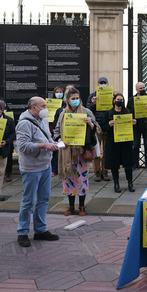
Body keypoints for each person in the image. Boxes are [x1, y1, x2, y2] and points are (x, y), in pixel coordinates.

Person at [15, 96, 60, 247]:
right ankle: (22, 232)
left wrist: (54, 143)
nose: (45, 108)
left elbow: (46, 138)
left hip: (45, 165)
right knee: (28, 201)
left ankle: (41, 230)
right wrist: (44, 146)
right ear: (34, 107)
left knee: (44, 199)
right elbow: (23, 147)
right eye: (43, 106)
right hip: (31, 168)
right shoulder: (24, 123)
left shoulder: (44, 121)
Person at [54, 87, 98, 216]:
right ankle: (71, 206)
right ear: (67, 100)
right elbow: (56, 131)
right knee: (68, 178)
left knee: (82, 178)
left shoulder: (86, 111)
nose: (75, 101)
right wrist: (60, 138)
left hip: (82, 152)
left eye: (77, 98)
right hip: (68, 152)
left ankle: (82, 206)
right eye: (73, 99)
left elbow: (97, 128)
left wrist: (90, 122)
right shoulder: (63, 114)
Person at [102, 93, 137, 193]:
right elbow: (103, 128)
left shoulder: (128, 112)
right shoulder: (108, 113)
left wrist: (134, 124)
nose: (119, 101)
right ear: (114, 101)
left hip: (125, 142)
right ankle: (116, 184)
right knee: (114, 164)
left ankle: (130, 183)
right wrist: (109, 124)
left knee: (128, 163)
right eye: (118, 99)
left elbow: (132, 128)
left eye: (121, 100)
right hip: (113, 142)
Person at [88, 76, 112, 182]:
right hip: (97, 126)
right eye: (101, 83)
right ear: (98, 84)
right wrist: (93, 103)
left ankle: (105, 171)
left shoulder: (112, 95)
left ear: (107, 84)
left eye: (104, 83)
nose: (102, 84)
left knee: (107, 151)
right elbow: (87, 110)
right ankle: (97, 172)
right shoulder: (92, 96)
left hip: (107, 126)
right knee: (97, 150)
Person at [127, 82, 147, 170]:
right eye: (140, 88)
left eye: (143, 87)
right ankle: (135, 164)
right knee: (135, 145)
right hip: (136, 126)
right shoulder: (131, 99)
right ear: (136, 89)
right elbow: (128, 111)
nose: (142, 89)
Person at [49, 85, 65, 176]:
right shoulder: (50, 103)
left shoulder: (64, 104)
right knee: (54, 150)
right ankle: (54, 169)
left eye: (60, 92)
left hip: (62, 130)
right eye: (57, 92)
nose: (59, 94)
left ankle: (61, 168)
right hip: (52, 128)